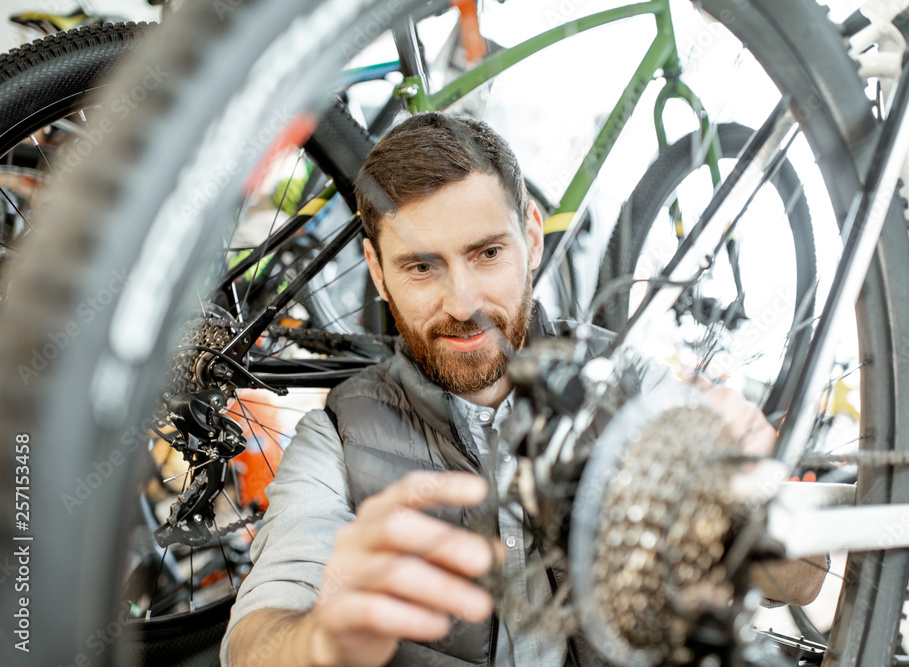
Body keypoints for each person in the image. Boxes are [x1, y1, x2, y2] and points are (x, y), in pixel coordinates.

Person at [222, 112, 825, 667]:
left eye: (487, 253)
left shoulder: (631, 384)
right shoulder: (335, 436)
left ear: (532, 239)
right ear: (377, 272)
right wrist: (319, 635)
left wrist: (747, 502)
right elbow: (254, 638)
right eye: (420, 267)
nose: (462, 305)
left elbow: (804, 579)